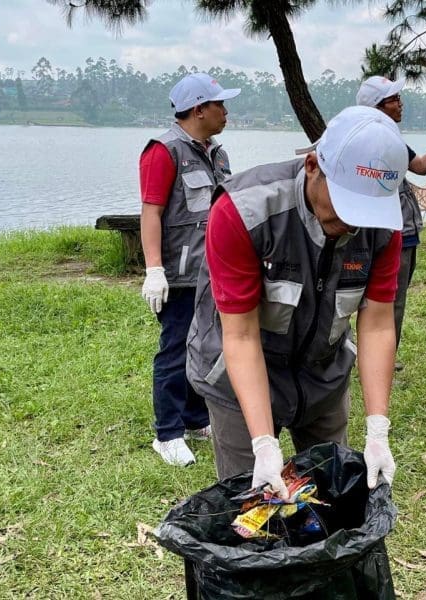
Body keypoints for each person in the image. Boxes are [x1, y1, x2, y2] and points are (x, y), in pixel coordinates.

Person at [186, 106, 403, 497]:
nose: (353, 223)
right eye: (345, 202)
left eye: (366, 209)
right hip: (241, 372)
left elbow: (378, 323)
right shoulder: (244, 211)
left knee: (329, 495)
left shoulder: (384, 227)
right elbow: (240, 336)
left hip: (323, 375)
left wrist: (377, 428)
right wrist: (264, 444)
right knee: (251, 504)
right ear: (312, 166)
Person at [138, 73, 240, 466]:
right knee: (176, 349)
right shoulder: (163, 151)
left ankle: (198, 419)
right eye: (220, 105)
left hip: (213, 270)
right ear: (199, 109)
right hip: (179, 275)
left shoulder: (217, 153)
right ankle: (167, 433)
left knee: (207, 347)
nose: (226, 112)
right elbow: (151, 212)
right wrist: (154, 269)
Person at [355, 76, 426, 371]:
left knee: (388, 295)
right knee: (388, 296)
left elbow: (418, 167)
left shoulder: (386, 139)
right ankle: (379, 355)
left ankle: (380, 352)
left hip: (401, 229)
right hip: (391, 230)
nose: (400, 104)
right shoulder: (372, 141)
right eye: (393, 99)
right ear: (378, 108)